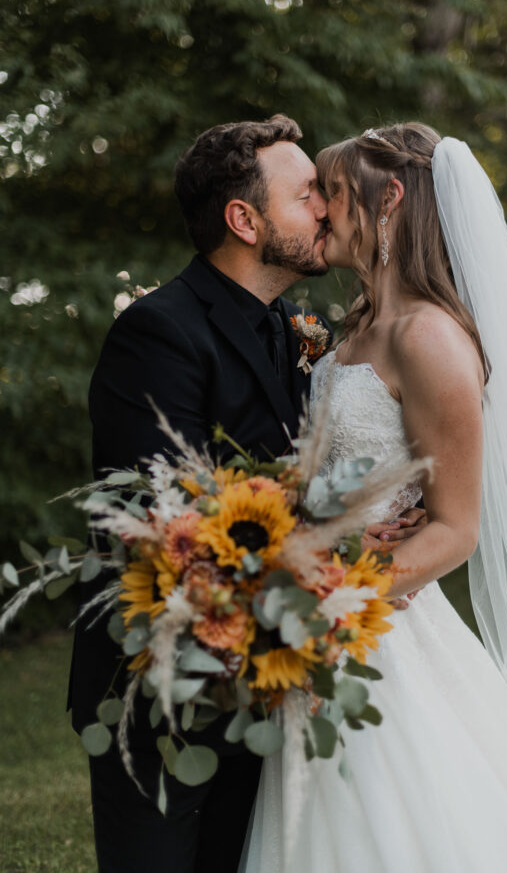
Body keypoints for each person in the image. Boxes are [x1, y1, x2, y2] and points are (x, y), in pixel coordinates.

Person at [241, 123, 507, 872]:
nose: (323, 212)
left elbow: (457, 528)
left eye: (333, 193)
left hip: (370, 624)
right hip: (324, 606)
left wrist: (330, 606)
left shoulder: (429, 338)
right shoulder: (359, 326)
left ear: (388, 197)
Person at [66, 115, 422, 873]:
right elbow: (161, 518)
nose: (328, 206)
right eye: (308, 195)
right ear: (244, 218)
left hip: (269, 675)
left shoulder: (299, 327)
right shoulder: (159, 332)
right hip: (163, 683)